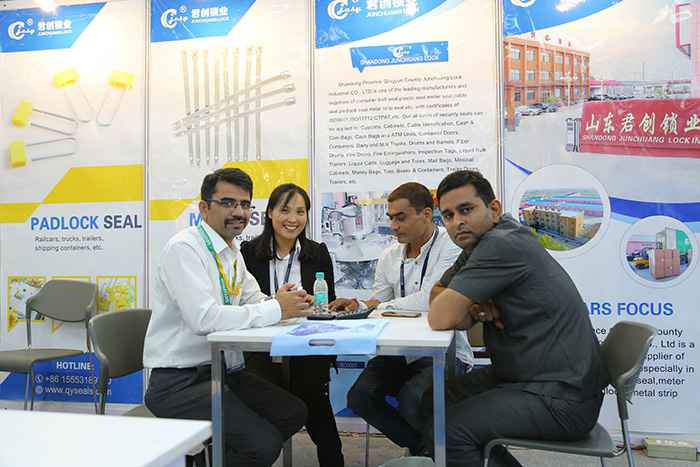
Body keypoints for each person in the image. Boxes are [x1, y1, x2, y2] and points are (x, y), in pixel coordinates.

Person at [425, 170, 609, 467]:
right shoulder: (477, 244)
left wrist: (466, 305)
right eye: (448, 215)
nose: (457, 222)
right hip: (523, 376)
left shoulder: (501, 243)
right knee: (431, 399)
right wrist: (475, 304)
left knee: (450, 430)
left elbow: (439, 316)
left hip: (561, 396)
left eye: (466, 210)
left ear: (494, 209)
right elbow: (436, 294)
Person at [143, 168, 313, 467]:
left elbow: (253, 298)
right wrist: (276, 308)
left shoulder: (231, 250)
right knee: (262, 446)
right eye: (228, 203)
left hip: (223, 371)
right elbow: (204, 319)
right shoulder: (185, 249)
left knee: (293, 413)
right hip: (179, 383)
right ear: (204, 208)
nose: (239, 212)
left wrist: (287, 302)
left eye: (245, 204)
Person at [329, 182, 474, 456]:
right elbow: (378, 299)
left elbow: (432, 300)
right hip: (400, 352)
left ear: (426, 214)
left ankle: (438, 453)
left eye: (401, 218)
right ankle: (426, 451)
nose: (393, 226)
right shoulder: (389, 255)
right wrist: (359, 305)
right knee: (359, 396)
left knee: (413, 399)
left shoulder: (451, 247)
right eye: (391, 218)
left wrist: (379, 306)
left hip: (446, 352)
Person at [240, 183, 345, 467]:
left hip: (306, 348)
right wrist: (275, 304)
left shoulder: (317, 252)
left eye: (300, 212)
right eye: (285, 210)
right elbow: (242, 303)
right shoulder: (248, 252)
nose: (293, 219)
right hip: (261, 350)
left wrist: (314, 303)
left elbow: (329, 302)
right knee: (257, 423)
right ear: (270, 213)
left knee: (319, 413)